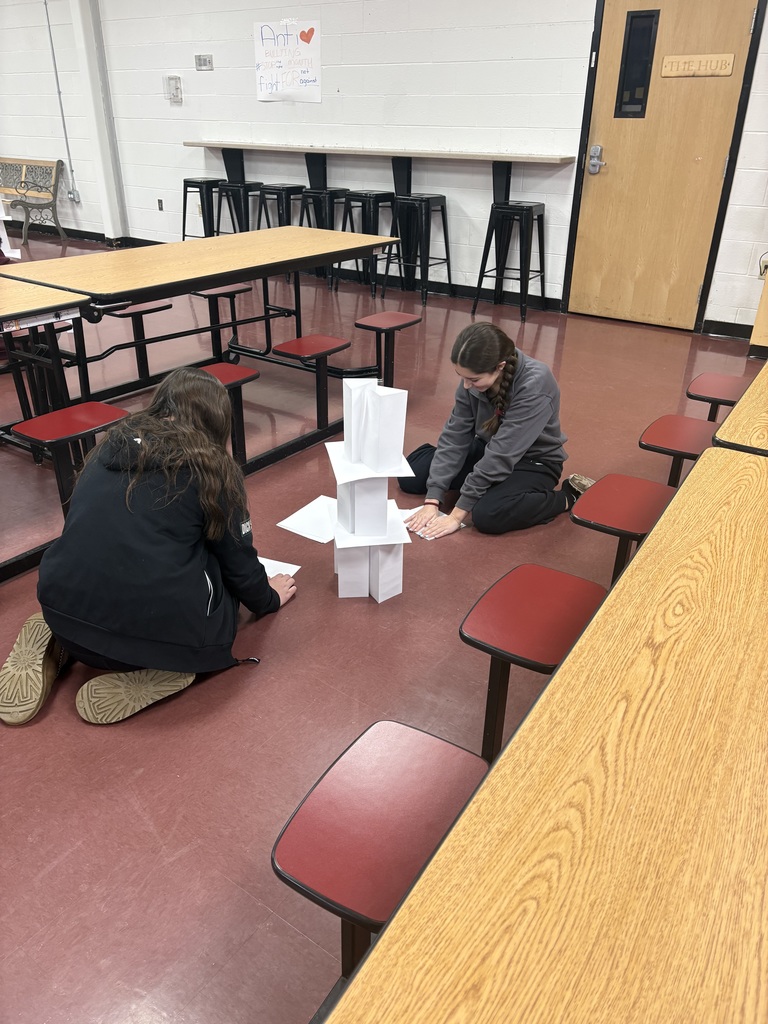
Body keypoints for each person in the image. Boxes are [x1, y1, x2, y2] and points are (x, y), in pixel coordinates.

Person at [0, 366, 296, 726]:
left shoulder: (108, 446)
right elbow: (238, 560)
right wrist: (268, 599)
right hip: (153, 640)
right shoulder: (213, 468)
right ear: (218, 420)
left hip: (61, 609)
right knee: (213, 570)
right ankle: (168, 663)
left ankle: (60, 637)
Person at [399, 321, 592, 539]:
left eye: (473, 379)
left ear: (500, 366)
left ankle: (568, 497)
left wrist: (456, 515)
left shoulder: (535, 384)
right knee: (411, 476)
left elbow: (502, 454)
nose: (465, 386)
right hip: (487, 448)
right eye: (460, 376)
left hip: (533, 462)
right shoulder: (472, 378)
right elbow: (455, 436)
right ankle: (486, 485)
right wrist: (433, 498)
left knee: (487, 514)